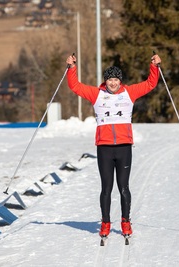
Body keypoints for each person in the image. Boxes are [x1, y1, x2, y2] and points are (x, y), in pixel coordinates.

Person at [65, 53, 161, 238]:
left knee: (123, 187)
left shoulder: (129, 93)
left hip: (124, 147)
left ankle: (125, 222)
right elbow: (75, 86)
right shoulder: (96, 94)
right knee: (106, 188)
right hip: (104, 148)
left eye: (116, 79)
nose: (113, 83)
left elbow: (150, 84)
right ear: (105, 81)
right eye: (110, 80)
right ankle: (106, 223)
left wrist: (154, 66)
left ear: (120, 81)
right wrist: (71, 68)